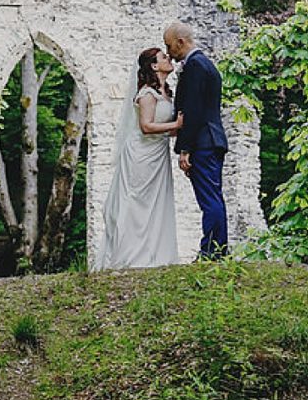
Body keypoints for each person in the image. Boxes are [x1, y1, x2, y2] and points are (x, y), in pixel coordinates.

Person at [94, 47, 183, 270]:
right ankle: (132, 255)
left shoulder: (165, 93)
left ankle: (155, 253)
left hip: (158, 154)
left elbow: (163, 128)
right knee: (137, 202)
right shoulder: (146, 94)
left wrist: (180, 131)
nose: (169, 58)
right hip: (141, 155)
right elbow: (146, 126)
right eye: (164, 57)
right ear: (154, 66)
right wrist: (177, 125)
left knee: (156, 203)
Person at [164, 21, 229, 260]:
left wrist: (185, 148)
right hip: (210, 140)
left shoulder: (195, 67)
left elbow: (193, 110)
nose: (169, 52)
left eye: (169, 46)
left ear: (181, 42)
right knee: (212, 197)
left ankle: (212, 252)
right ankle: (216, 249)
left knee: (209, 199)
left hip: (203, 142)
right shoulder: (203, 64)